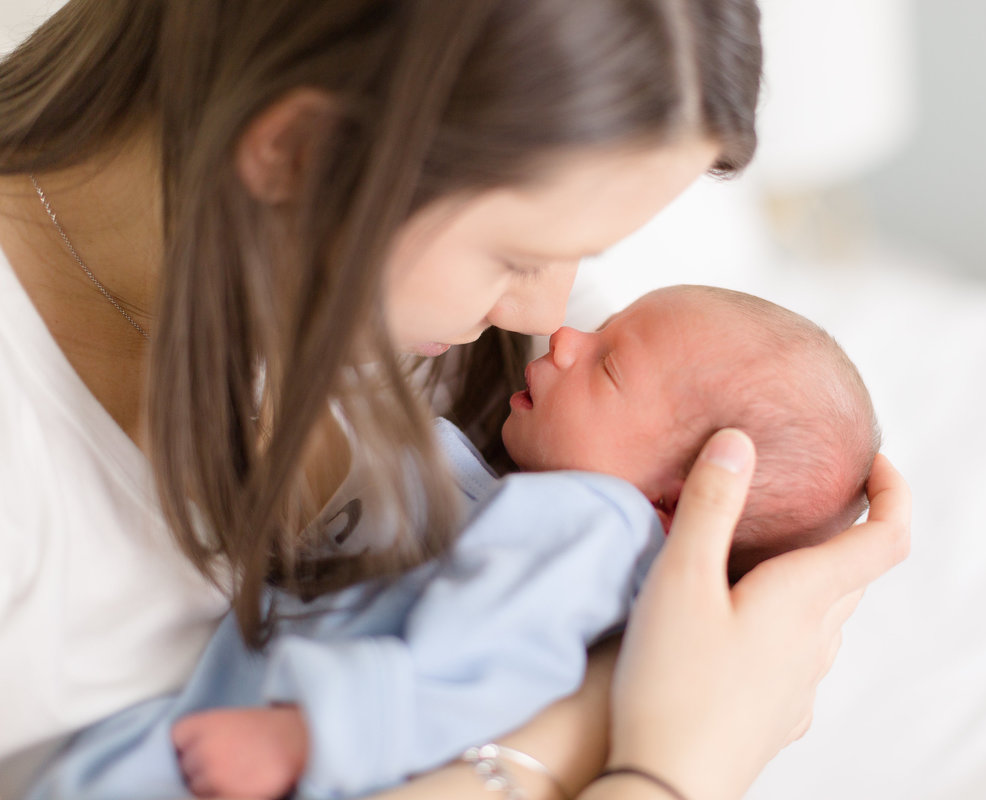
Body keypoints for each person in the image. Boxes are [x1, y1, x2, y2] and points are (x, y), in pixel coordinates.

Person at [0, 2, 911, 799]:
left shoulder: (498, 368)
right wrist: (667, 761)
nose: (550, 318)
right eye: (517, 257)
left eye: (586, 255)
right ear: (298, 153)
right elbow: (675, 680)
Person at [26, 284, 880, 799]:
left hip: (303, 749)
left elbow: (483, 665)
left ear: (671, 503)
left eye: (611, 365)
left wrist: (310, 733)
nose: (565, 334)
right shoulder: (536, 505)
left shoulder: (591, 529)